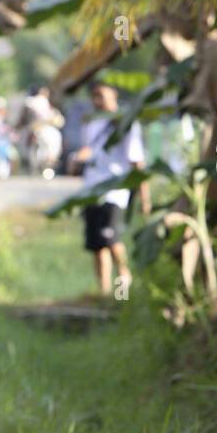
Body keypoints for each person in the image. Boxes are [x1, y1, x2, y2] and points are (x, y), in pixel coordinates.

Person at [72, 81, 149, 295]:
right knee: (98, 246)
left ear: (113, 93)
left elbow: (137, 162)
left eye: (101, 95)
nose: (97, 100)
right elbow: (88, 152)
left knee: (113, 242)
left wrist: (145, 198)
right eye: (93, 96)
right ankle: (104, 293)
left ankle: (122, 290)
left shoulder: (126, 123)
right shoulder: (90, 123)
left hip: (115, 191)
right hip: (91, 190)